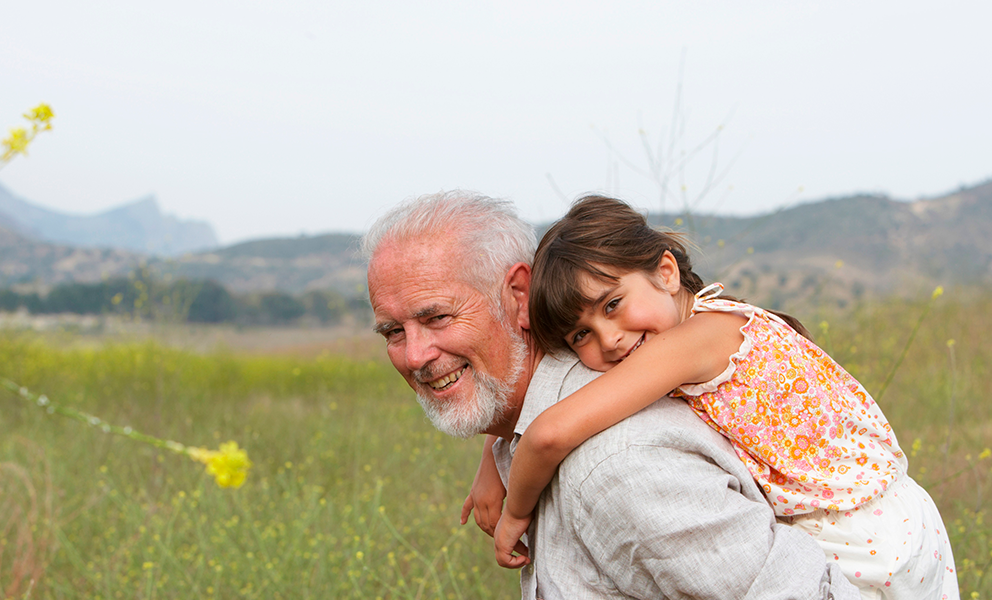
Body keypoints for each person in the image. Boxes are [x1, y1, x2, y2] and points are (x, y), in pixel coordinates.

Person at [365, 189, 861, 599]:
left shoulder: (618, 461)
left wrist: (514, 505)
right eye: (392, 332)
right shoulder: (563, 405)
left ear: (518, 296)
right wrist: (495, 456)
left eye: (437, 317)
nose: (414, 356)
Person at [482, 195, 959, 599]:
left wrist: (517, 514)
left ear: (666, 271)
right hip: (894, 513)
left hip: (860, 534)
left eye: (612, 305)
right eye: (580, 335)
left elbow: (548, 433)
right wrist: (491, 455)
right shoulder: (707, 320)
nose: (609, 339)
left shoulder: (690, 343)